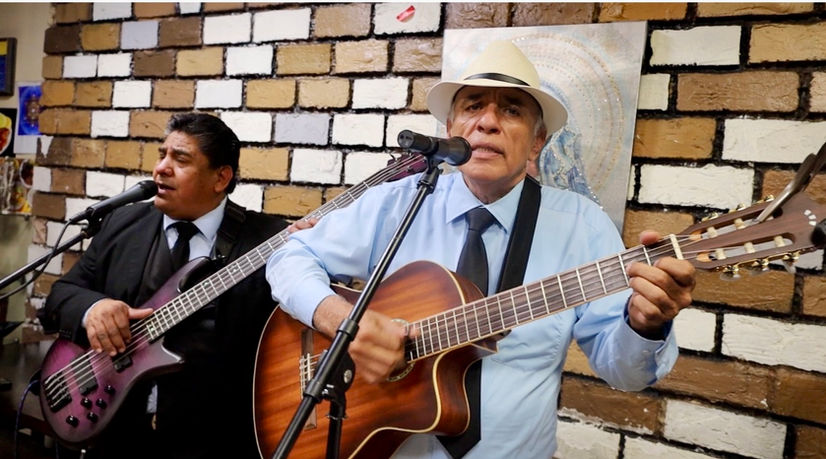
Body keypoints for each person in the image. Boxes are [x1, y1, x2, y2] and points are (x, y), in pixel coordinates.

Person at [265, 40, 695, 458]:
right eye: (473, 106)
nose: (488, 122)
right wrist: (344, 322)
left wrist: (645, 325)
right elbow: (289, 256)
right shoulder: (396, 202)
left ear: (536, 142)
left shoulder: (581, 227)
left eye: (511, 110)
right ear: (451, 130)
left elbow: (626, 374)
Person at [40, 112, 289, 458]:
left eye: (180, 159)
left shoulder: (267, 241)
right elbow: (60, 297)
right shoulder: (122, 223)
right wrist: (92, 309)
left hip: (215, 440)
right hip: (117, 433)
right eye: (162, 155)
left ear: (221, 178)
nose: (161, 168)